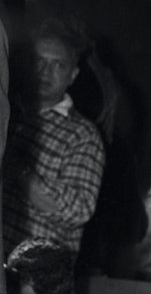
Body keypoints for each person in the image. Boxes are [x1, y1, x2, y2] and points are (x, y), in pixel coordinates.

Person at [2, 17, 106, 258]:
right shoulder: (9, 112)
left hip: (33, 280)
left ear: (73, 74)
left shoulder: (83, 135)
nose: (44, 72)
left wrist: (19, 173)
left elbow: (78, 210)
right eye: (38, 61)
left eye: (57, 65)